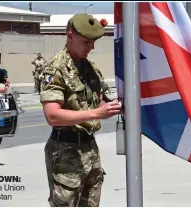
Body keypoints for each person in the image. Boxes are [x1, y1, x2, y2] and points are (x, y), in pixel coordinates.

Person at [39, 13, 122, 207]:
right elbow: (52, 115)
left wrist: (112, 107)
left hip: (89, 149)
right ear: (70, 36)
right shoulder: (55, 68)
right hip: (65, 152)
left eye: (93, 42)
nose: (91, 47)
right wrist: (97, 114)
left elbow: (99, 100)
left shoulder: (89, 67)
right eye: (86, 42)